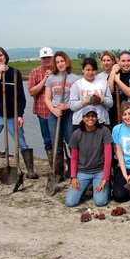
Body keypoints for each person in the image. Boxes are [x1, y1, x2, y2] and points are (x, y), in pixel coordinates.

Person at [0, 47, 37, 182]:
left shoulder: (15, 72)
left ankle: (30, 171)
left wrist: (20, 115)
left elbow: (21, 97)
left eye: (1, 55)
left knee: (22, 143)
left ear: (5, 57)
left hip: (13, 115)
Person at [64, 106, 112, 207]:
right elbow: (74, 158)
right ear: (83, 118)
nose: (90, 118)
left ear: (96, 118)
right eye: (87, 116)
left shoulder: (104, 131)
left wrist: (105, 178)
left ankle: (106, 186)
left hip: (99, 171)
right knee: (70, 202)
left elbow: (108, 156)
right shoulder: (76, 134)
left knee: (100, 202)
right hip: (83, 171)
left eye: (93, 116)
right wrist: (73, 177)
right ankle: (86, 187)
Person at [44, 51, 79, 179]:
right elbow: (47, 98)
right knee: (56, 145)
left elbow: (78, 99)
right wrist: (53, 110)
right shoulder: (51, 78)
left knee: (71, 142)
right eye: (57, 62)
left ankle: (74, 171)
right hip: (55, 114)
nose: (60, 64)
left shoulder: (74, 78)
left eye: (62, 61)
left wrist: (67, 106)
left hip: (69, 114)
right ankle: (57, 173)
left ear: (67, 61)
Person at [69, 57, 113, 131]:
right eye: (88, 70)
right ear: (83, 70)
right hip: (81, 123)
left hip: (101, 121)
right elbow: (72, 106)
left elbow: (110, 103)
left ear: (96, 70)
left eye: (93, 70)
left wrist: (102, 100)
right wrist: (85, 101)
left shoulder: (103, 83)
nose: (90, 72)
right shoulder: (77, 85)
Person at [27, 47, 54, 168]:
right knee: (47, 140)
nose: (47, 60)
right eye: (44, 58)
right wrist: (45, 79)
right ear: (41, 59)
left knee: (60, 141)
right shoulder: (35, 72)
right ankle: (54, 167)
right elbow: (32, 92)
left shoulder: (58, 71)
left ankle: (64, 165)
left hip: (58, 111)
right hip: (42, 112)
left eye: (49, 57)